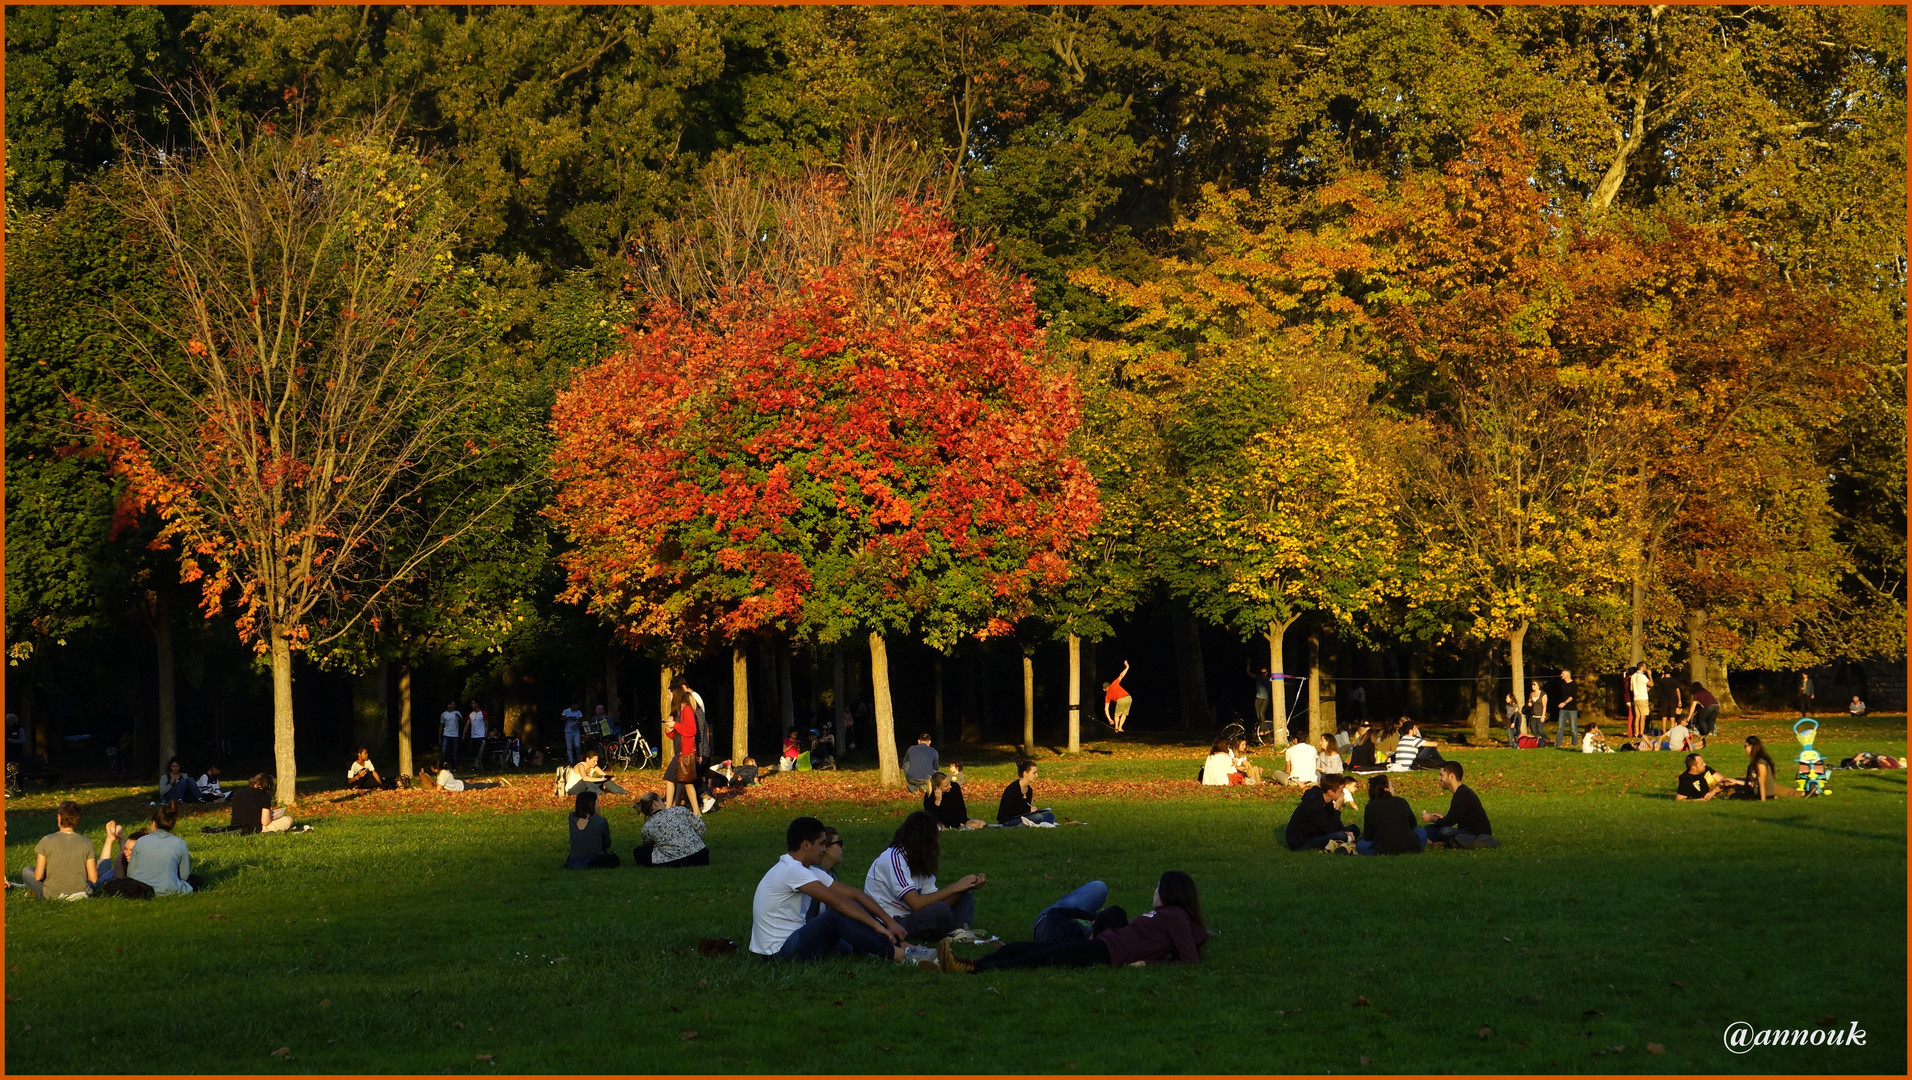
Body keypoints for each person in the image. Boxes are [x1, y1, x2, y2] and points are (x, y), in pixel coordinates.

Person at [945, 871, 1207, 974]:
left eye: (1157, 887)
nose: (1154, 892)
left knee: (1043, 958)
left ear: (1170, 892)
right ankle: (965, 964)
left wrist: (1148, 963)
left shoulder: (1175, 916)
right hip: (1106, 942)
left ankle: (972, 968)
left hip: (1108, 951)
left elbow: (1189, 960)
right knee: (1021, 948)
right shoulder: (1166, 916)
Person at [749, 816, 912, 963]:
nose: (824, 850)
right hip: (778, 953)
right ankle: (897, 954)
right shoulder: (791, 870)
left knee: (849, 939)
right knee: (837, 914)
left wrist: (889, 923)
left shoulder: (806, 870)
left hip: (794, 940)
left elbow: (854, 894)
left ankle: (899, 946)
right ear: (806, 845)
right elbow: (837, 901)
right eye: (821, 844)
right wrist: (877, 926)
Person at [863, 811, 987, 942]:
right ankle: (951, 932)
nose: (938, 843)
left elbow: (934, 902)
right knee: (941, 910)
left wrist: (964, 887)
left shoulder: (920, 860)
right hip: (894, 921)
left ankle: (958, 932)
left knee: (963, 895)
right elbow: (916, 903)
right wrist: (955, 887)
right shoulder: (893, 858)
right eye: (935, 838)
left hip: (914, 915)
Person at [19, 800, 97, 900]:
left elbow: (38, 876)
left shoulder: (46, 840)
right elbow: (93, 878)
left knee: (26, 871)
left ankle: (39, 892)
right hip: (82, 890)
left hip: (52, 894)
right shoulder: (87, 842)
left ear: (59, 817)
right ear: (77, 820)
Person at [128, 803, 202, 895]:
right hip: (168, 889)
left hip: (141, 889)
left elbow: (130, 873)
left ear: (154, 823)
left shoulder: (141, 841)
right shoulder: (179, 843)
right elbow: (184, 876)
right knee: (196, 879)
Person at [1420, 761, 1498, 848]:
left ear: (1451, 776)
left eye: (1442, 775)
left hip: (1476, 835)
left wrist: (1431, 818)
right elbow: (1452, 819)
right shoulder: (1461, 792)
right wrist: (1442, 819)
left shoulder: (1462, 794)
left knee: (1444, 831)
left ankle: (1441, 842)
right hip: (1466, 832)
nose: (1439, 779)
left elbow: (1448, 823)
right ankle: (1441, 842)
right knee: (1430, 828)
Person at [1284, 774, 1359, 852]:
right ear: (1330, 792)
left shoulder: (1327, 800)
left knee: (1354, 829)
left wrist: (1345, 830)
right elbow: (1330, 829)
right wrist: (1337, 809)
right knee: (1341, 835)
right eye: (1340, 791)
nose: (1343, 794)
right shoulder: (1314, 804)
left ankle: (1344, 841)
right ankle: (1344, 842)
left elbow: (1333, 822)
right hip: (1303, 840)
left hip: (1320, 832)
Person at [634, 792, 710, 867]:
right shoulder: (679, 810)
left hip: (675, 861)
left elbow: (648, 844)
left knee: (639, 851)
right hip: (701, 856)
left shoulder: (647, 827)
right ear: (655, 803)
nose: (664, 803)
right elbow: (701, 828)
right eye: (661, 800)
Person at [663, 685, 705, 818]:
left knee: (670, 778)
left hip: (685, 752)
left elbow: (691, 731)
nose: (668, 697)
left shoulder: (687, 710)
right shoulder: (677, 712)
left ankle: (668, 809)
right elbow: (676, 735)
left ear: (675, 694)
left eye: (669, 694)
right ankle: (696, 811)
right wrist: (669, 729)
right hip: (679, 751)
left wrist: (675, 725)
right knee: (686, 782)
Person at [1358, 775, 1426, 855]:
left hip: (1384, 848)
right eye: (1392, 786)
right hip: (1409, 845)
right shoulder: (1401, 801)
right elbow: (1413, 824)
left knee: (1360, 844)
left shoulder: (1370, 807)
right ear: (1386, 789)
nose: (1394, 789)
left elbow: (1368, 836)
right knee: (1421, 831)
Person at [562, 791, 619, 869]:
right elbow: (607, 844)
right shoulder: (601, 821)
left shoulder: (572, 817)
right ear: (591, 804)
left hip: (574, 860)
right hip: (595, 859)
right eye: (597, 803)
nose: (599, 806)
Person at [997, 760, 1058, 826]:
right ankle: (1037, 823)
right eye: (1034, 773)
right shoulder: (1012, 789)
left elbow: (1026, 808)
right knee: (1038, 817)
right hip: (1009, 819)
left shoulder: (1029, 790)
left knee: (1050, 815)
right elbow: (1008, 811)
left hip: (1023, 818)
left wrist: (1031, 811)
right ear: (1025, 773)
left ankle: (1032, 823)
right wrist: (1029, 810)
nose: (1037, 775)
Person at [1729, 735, 1782, 801]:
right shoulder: (1754, 762)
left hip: (1763, 794)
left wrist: (1763, 800)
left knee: (1734, 796)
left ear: (1752, 746)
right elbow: (1752, 783)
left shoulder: (1760, 762)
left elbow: (1761, 782)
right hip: (1755, 791)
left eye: (1746, 746)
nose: (1745, 749)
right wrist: (1735, 782)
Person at [564, 749, 632, 798]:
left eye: (596, 761)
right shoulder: (581, 765)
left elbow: (604, 776)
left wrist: (611, 778)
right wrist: (601, 779)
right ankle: (600, 794)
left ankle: (623, 792)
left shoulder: (594, 767)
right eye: (594, 761)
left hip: (584, 791)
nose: (596, 763)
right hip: (572, 790)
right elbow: (584, 778)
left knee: (601, 777)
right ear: (587, 759)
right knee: (587, 780)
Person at [1102, 660, 1133, 733]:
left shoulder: (1107, 696)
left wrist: (1109, 719)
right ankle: (1120, 727)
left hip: (1121, 700)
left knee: (1117, 715)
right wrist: (1127, 667)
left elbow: (1106, 709)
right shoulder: (1114, 683)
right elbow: (1121, 675)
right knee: (1124, 714)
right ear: (1109, 685)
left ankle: (1116, 727)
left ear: (1104, 689)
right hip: (1129, 698)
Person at [1553, 669, 1580, 749]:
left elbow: (1572, 696)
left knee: (1573, 727)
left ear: (1568, 675)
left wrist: (1564, 703)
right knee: (1560, 727)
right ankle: (1558, 743)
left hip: (1572, 709)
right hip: (1562, 710)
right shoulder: (1562, 684)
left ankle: (1575, 743)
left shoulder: (1574, 684)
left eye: (1563, 674)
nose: (1561, 675)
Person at [1628, 665, 1652, 737]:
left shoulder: (1633, 676)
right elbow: (1651, 684)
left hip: (1636, 698)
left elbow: (1631, 688)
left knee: (1637, 716)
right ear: (1642, 667)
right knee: (1643, 716)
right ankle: (1641, 733)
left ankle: (1636, 733)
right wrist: (1649, 675)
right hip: (1643, 698)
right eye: (1645, 666)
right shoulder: (1642, 676)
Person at [437, 701, 463, 769]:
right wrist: (439, 738)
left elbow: (463, 722)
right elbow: (441, 726)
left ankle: (454, 767)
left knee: (455, 751)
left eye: (454, 704)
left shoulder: (457, 713)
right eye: (453, 704)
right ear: (449, 705)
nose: (454, 706)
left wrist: (459, 717)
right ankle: (444, 766)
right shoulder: (444, 714)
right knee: (444, 751)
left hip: (455, 735)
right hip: (446, 734)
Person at [465, 701, 490, 769]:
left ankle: (482, 766)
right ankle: (475, 766)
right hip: (473, 736)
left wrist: (485, 734)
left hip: (481, 735)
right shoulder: (471, 714)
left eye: (473, 703)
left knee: (481, 752)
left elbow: (486, 724)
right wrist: (464, 733)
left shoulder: (483, 713)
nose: (472, 705)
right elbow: (467, 724)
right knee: (474, 751)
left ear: (477, 704)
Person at [1525, 680, 1549, 745]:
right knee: (1534, 731)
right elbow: (1529, 702)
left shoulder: (1543, 694)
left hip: (1540, 715)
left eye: (1534, 685)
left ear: (1538, 686)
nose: (1532, 686)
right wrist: (1529, 703)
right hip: (1533, 715)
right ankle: (1539, 743)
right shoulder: (1531, 694)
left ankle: (1548, 740)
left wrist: (1543, 716)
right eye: (1532, 685)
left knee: (1540, 730)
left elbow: (1544, 706)